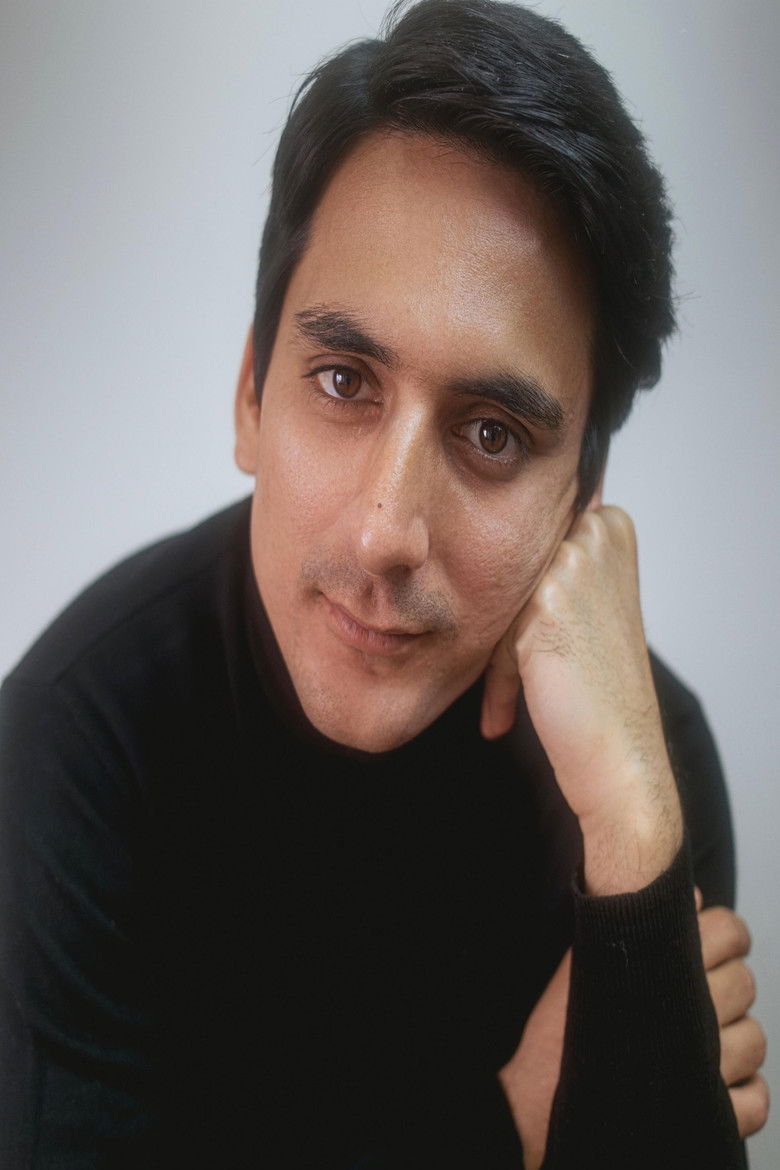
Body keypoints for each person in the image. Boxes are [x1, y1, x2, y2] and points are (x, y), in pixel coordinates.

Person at [0, 0, 769, 1166]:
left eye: (493, 433)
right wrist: (508, 1124)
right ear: (251, 395)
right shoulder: (81, 746)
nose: (382, 535)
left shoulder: (634, 769)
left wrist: (631, 830)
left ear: (581, 498)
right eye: (345, 380)